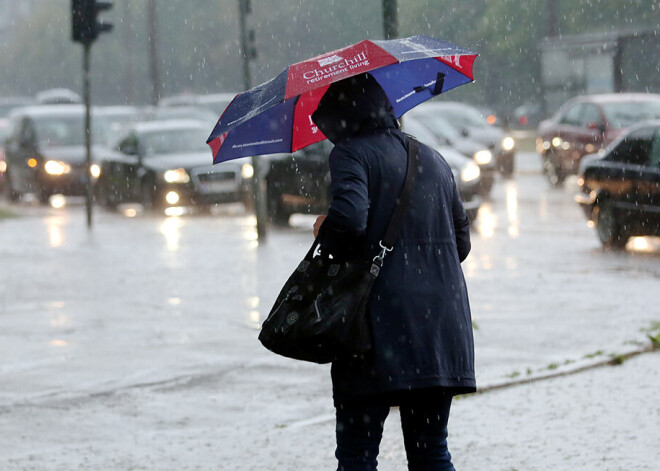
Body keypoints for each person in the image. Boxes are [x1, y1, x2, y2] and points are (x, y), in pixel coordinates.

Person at [310, 73, 476, 471]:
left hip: (374, 334)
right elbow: (462, 245)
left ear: (341, 118)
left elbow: (349, 222)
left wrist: (324, 230)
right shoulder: (433, 159)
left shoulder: (351, 155)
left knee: (358, 455)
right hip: (439, 329)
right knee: (432, 453)